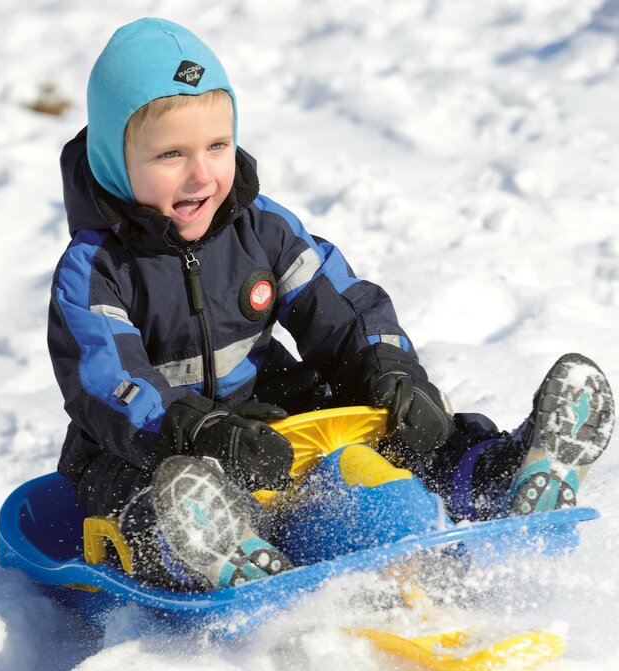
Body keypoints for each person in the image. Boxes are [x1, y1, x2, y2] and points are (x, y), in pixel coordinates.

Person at [48, 18, 615, 590]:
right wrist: (195, 432)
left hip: (265, 420)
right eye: (171, 154)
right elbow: (107, 379)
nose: (202, 174)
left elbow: (341, 304)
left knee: (396, 423)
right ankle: (207, 546)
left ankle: (500, 474)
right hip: (146, 441)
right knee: (141, 489)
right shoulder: (94, 270)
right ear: (114, 161)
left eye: (218, 146)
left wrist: (390, 370)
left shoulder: (262, 229)